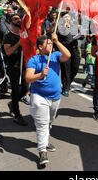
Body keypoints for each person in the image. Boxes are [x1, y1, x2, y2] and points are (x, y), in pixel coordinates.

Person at [25, 33, 71, 166]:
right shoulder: (34, 60)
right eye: (48, 43)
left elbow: (67, 55)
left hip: (55, 98)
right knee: (42, 124)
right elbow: (28, 78)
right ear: (40, 46)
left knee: (49, 121)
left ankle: (44, 141)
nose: (50, 45)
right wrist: (40, 75)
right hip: (39, 97)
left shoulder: (56, 56)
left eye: (51, 43)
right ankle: (42, 151)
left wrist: (57, 42)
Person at [2, 13, 29, 126]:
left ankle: (13, 104)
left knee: (25, 88)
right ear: (10, 22)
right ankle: (17, 115)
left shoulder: (25, 34)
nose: (18, 20)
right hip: (13, 67)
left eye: (19, 19)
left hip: (25, 66)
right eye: (15, 19)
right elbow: (8, 52)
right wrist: (19, 43)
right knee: (15, 90)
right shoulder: (8, 36)